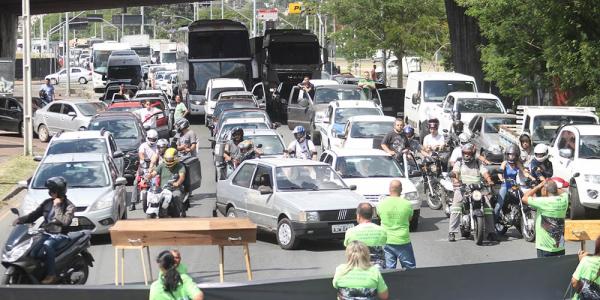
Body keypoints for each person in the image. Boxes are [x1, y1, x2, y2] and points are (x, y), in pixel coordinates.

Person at [13, 177, 75, 284]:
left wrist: (57, 207)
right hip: (46, 233)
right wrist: (20, 220)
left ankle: (51, 275)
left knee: (48, 245)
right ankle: (37, 272)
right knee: (31, 251)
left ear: (58, 191)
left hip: (61, 235)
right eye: (49, 190)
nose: (49, 192)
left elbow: (65, 221)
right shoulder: (47, 203)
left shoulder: (69, 206)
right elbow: (34, 215)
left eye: (52, 191)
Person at [449, 143, 496, 242]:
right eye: (465, 153)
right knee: (456, 207)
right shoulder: (459, 162)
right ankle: (452, 232)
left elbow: (484, 172)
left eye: (469, 153)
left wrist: (489, 180)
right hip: (462, 188)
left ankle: (491, 232)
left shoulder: (478, 163)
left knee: (488, 207)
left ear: (473, 154)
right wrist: (456, 181)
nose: (466, 155)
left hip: (477, 189)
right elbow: (455, 172)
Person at [522, 179, 568, 258]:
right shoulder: (564, 199)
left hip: (545, 247)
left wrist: (538, 186)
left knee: (544, 270)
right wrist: (553, 185)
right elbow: (563, 192)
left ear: (545, 190)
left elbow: (524, 198)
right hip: (560, 246)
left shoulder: (543, 201)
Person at [377, 180, 416, 270]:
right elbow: (409, 219)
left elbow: (379, 217)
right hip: (403, 240)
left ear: (389, 189)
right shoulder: (407, 204)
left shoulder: (381, 204)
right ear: (401, 190)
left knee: (390, 269)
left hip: (387, 240)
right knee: (410, 268)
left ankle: (392, 284)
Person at [495, 144, 535, 224]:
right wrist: (501, 179)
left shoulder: (517, 163)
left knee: (522, 199)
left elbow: (524, 172)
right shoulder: (505, 163)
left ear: (517, 155)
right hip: (505, 184)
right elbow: (500, 172)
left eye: (513, 155)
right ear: (507, 154)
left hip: (514, 185)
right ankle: (493, 222)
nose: (512, 156)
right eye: (510, 154)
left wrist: (532, 178)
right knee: (500, 204)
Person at [344, 203, 387, 269]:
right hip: (378, 267)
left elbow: (348, 247)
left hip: (358, 267)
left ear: (358, 216)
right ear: (372, 215)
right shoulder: (382, 230)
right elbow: (384, 243)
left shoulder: (350, 231)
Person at [150, 148, 186, 217]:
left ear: (175, 158)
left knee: (176, 196)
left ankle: (178, 213)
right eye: (168, 159)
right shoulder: (162, 165)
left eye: (171, 159)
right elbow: (154, 173)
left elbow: (182, 176)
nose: (169, 161)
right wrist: (149, 176)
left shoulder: (180, 166)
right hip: (162, 190)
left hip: (175, 189)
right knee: (153, 198)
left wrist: (177, 183)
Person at [132, 129, 159, 210]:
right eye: (150, 139)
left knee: (158, 181)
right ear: (147, 138)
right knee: (136, 182)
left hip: (154, 167)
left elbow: (158, 156)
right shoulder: (143, 145)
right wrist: (144, 160)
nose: (152, 141)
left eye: (153, 139)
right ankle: (133, 203)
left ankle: (159, 199)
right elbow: (141, 153)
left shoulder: (158, 146)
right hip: (143, 167)